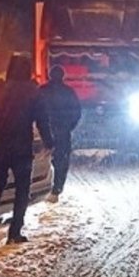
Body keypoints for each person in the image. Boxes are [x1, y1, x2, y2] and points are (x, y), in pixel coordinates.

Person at [0, 55, 54, 244]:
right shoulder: (33, 92)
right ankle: (15, 232)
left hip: (1, 144)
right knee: (22, 189)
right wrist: (49, 142)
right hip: (22, 147)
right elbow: (42, 120)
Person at [40, 65, 81, 203]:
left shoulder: (42, 91)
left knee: (42, 159)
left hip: (43, 131)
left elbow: (33, 110)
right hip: (62, 132)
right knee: (61, 161)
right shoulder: (68, 92)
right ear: (63, 76)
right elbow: (76, 112)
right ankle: (56, 188)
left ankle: (40, 187)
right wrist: (68, 127)